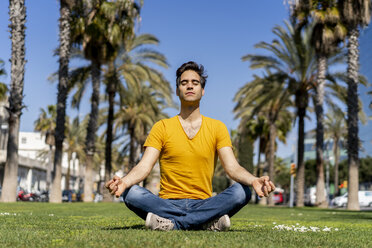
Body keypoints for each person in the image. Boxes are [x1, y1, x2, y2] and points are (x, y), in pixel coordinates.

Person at [105, 61, 275, 231]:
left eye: (195, 83)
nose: (189, 86)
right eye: (184, 83)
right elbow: (144, 166)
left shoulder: (217, 127)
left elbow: (232, 168)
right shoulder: (162, 127)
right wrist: (124, 181)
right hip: (166, 203)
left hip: (205, 202)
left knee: (242, 191)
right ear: (177, 90)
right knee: (131, 193)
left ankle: (172, 224)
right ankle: (205, 222)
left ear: (202, 90)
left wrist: (254, 180)